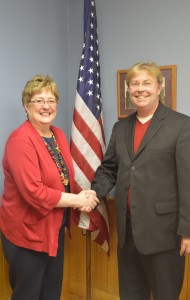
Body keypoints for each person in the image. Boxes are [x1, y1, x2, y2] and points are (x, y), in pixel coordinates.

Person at [91, 62, 190, 300]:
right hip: (127, 233)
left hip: (164, 235)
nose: (140, 89)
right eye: (135, 84)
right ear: (128, 89)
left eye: (146, 83)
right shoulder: (121, 128)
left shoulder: (182, 125)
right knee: (130, 295)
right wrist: (94, 193)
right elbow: (109, 169)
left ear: (159, 88)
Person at [0, 75, 99, 300]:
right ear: (26, 106)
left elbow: (64, 179)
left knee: (50, 293)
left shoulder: (58, 135)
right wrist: (78, 201)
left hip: (53, 230)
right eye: (38, 100)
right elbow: (34, 193)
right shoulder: (20, 140)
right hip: (27, 235)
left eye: (51, 100)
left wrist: (83, 193)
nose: (46, 106)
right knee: (28, 294)